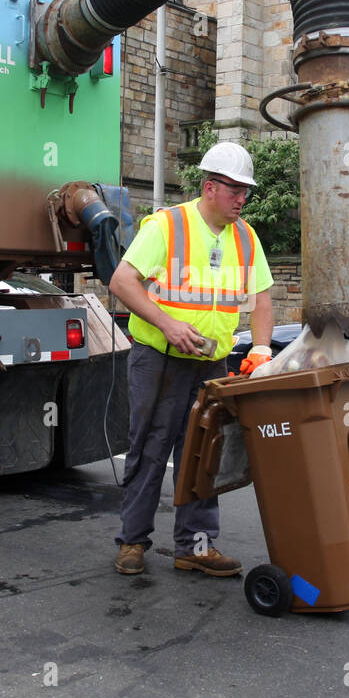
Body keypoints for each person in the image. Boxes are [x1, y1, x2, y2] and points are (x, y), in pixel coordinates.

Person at [108, 141, 274, 576]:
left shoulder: (246, 236)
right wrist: (168, 324)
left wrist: (260, 348)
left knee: (204, 454)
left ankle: (196, 548)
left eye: (245, 192)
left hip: (212, 364)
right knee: (149, 446)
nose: (242, 199)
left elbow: (261, 300)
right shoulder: (168, 226)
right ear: (209, 187)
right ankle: (132, 543)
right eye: (235, 190)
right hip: (159, 358)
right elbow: (122, 282)